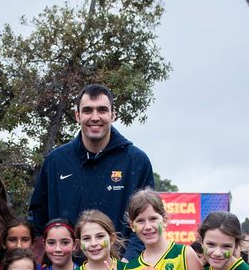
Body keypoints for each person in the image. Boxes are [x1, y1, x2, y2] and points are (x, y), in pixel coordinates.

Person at [28, 84, 155, 259]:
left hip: (119, 269)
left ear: (113, 115)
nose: (95, 117)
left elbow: (147, 220)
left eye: (102, 110)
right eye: (88, 110)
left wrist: (127, 262)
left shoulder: (136, 161)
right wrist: (46, 261)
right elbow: (38, 218)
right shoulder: (56, 161)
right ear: (77, 116)